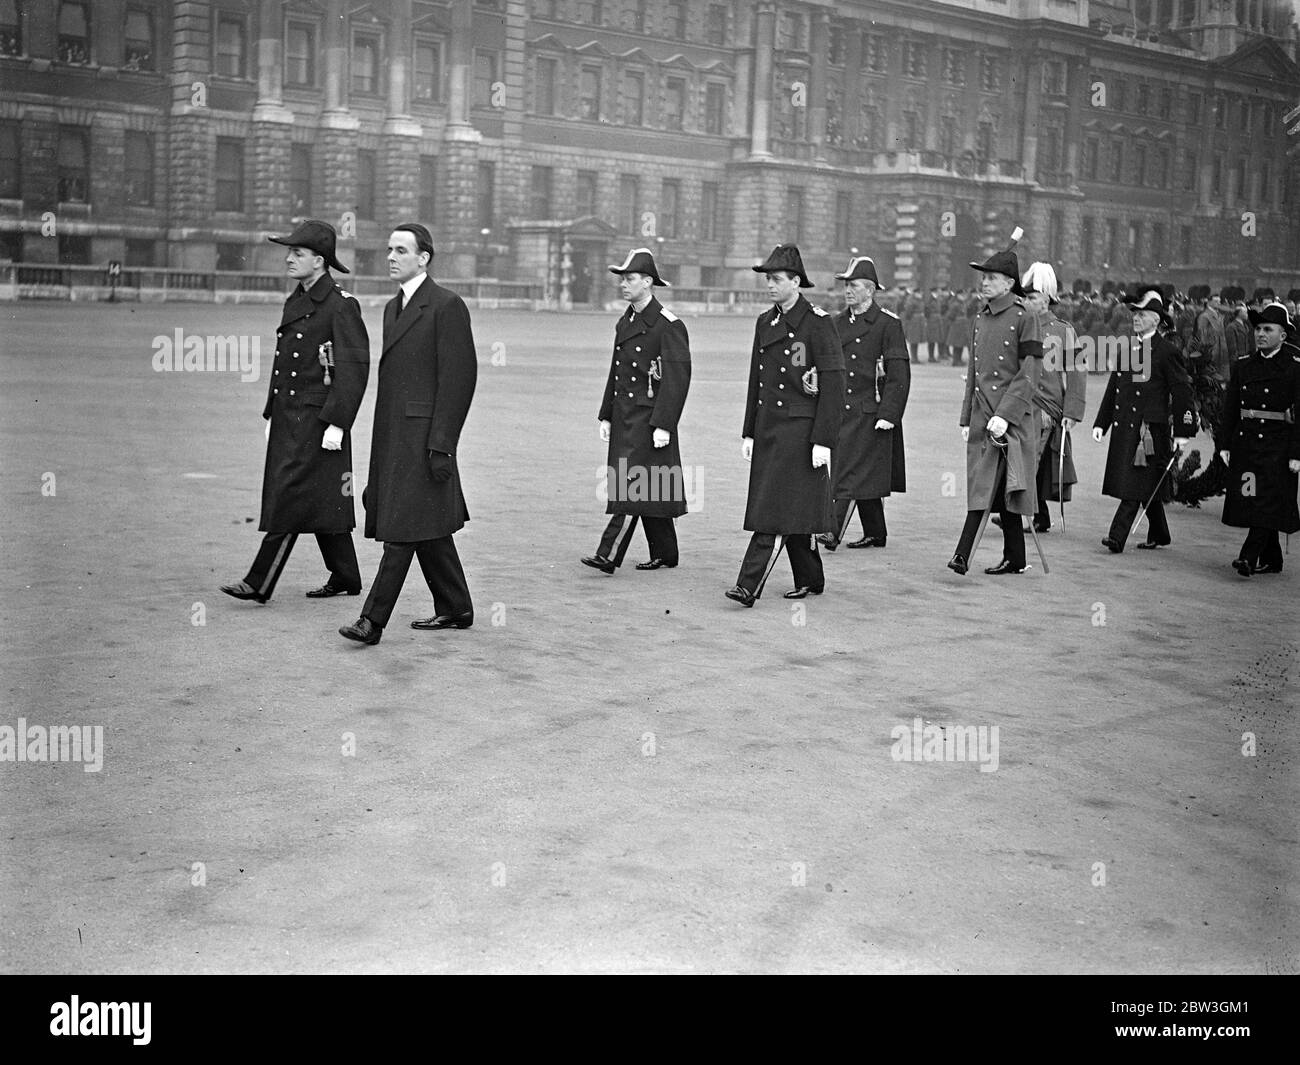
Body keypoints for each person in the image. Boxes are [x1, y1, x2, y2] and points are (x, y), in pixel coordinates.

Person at [339, 223, 477, 645]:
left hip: (424, 442)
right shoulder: (390, 308)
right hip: (395, 439)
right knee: (427, 528)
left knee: (401, 532)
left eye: (401, 250)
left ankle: (372, 621)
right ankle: (456, 607)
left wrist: (442, 446)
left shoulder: (446, 306)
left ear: (424, 258)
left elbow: (459, 381)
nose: (391, 257)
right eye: (389, 249)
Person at [221, 220, 370, 605]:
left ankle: (259, 581)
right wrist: (272, 412)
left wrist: (338, 423)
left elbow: (353, 370)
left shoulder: (341, 305)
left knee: (289, 494)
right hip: (291, 415)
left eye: (297, 253)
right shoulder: (298, 298)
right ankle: (346, 575)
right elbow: (283, 363)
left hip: (319, 420)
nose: (288, 258)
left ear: (319, 261)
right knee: (323, 497)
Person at [726, 244, 844, 606]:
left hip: (800, 432)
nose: (770, 286)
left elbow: (834, 384)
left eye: (776, 279)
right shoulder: (766, 322)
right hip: (769, 429)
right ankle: (811, 577)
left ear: (796, 282)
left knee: (773, 510)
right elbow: (755, 381)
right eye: (767, 279)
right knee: (794, 507)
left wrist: (823, 440)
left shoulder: (819, 323)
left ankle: (748, 585)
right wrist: (749, 430)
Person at [582, 248, 691, 574]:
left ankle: (608, 553)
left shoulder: (668, 325)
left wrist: (664, 424)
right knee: (650, 482)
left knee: (631, 485)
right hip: (626, 413)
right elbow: (616, 373)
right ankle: (666, 552)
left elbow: (676, 380)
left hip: (649, 418)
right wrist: (606, 413)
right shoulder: (626, 320)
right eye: (622, 279)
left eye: (630, 279)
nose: (624, 285)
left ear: (647, 282)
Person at [948, 231, 1043, 576]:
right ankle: (1016, 557)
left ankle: (962, 555)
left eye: (991, 278)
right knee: (999, 487)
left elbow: (1029, 372)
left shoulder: (1024, 317)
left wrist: (1005, 415)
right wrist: (964, 418)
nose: (984, 283)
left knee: (988, 485)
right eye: (983, 277)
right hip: (981, 416)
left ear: (1008, 284)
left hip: (1010, 421)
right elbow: (973, 373)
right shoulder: (981, 318)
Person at [1091, 289, 1195, 553]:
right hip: (1126, 426)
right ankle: (1160, 533)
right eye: (1135, 314)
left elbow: (1182, 390)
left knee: (1136, 483)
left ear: (1157, 320)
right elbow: (1115, 388)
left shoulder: (1166, 352)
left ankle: (1117, 536)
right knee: (1147, 484)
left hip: (1149, 432)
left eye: (1143, 314)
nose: (1136, 318)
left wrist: (1183, 430)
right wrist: (1101, 423)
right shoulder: (1128, 347)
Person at [819, 255, 909, 551]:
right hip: (842, 409)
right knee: (860, 472)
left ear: (870, 290)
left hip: (871, 411)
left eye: (854, 285)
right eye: (846, 285)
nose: (847, 290)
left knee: (848, 470)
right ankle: (876, 532)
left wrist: (889, 414)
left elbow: (898, 375)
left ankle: (832, 531)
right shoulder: (836, 323)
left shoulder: (887, 325)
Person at [1219, 302, 1300, 576]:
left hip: (1279, 445)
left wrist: (1297, 453)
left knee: (1268, 500)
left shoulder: (1295, 366)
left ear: (1283, 335)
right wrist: (1224, 444)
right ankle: (1272, 558)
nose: (1261, 334)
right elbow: (1230, 409)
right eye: (1258, 329)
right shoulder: (1243, 365)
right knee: (1252, 497)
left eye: (1268, 329)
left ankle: (1248, 557)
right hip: (1248, 445)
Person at [1022, 262, 1086, 534]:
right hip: (1021, 403)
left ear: (1046, 299)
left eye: (1032, 297)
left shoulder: (1063, 330)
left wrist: (1072, 411)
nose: (1026, 302)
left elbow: (1077, 370)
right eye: (1025, 297)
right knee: (1023, 459)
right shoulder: (1021, 325)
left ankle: (1028, 514)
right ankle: (1036, 514)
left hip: (1046, 407)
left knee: (1031, 460)